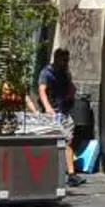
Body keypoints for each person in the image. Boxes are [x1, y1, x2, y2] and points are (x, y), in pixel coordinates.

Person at [36, 46, 81, 188]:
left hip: (63, 111)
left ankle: (71, 174)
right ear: (56, 58)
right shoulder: (46, 73)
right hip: (53, 113)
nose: (65, 62)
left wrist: (71, 93)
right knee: (58, 142)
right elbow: (41, 90)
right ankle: (65, 173)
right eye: (63, 60)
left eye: (67, 60)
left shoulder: (64, 73)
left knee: (67, 140)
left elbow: (70, 86)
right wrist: (48, 108)